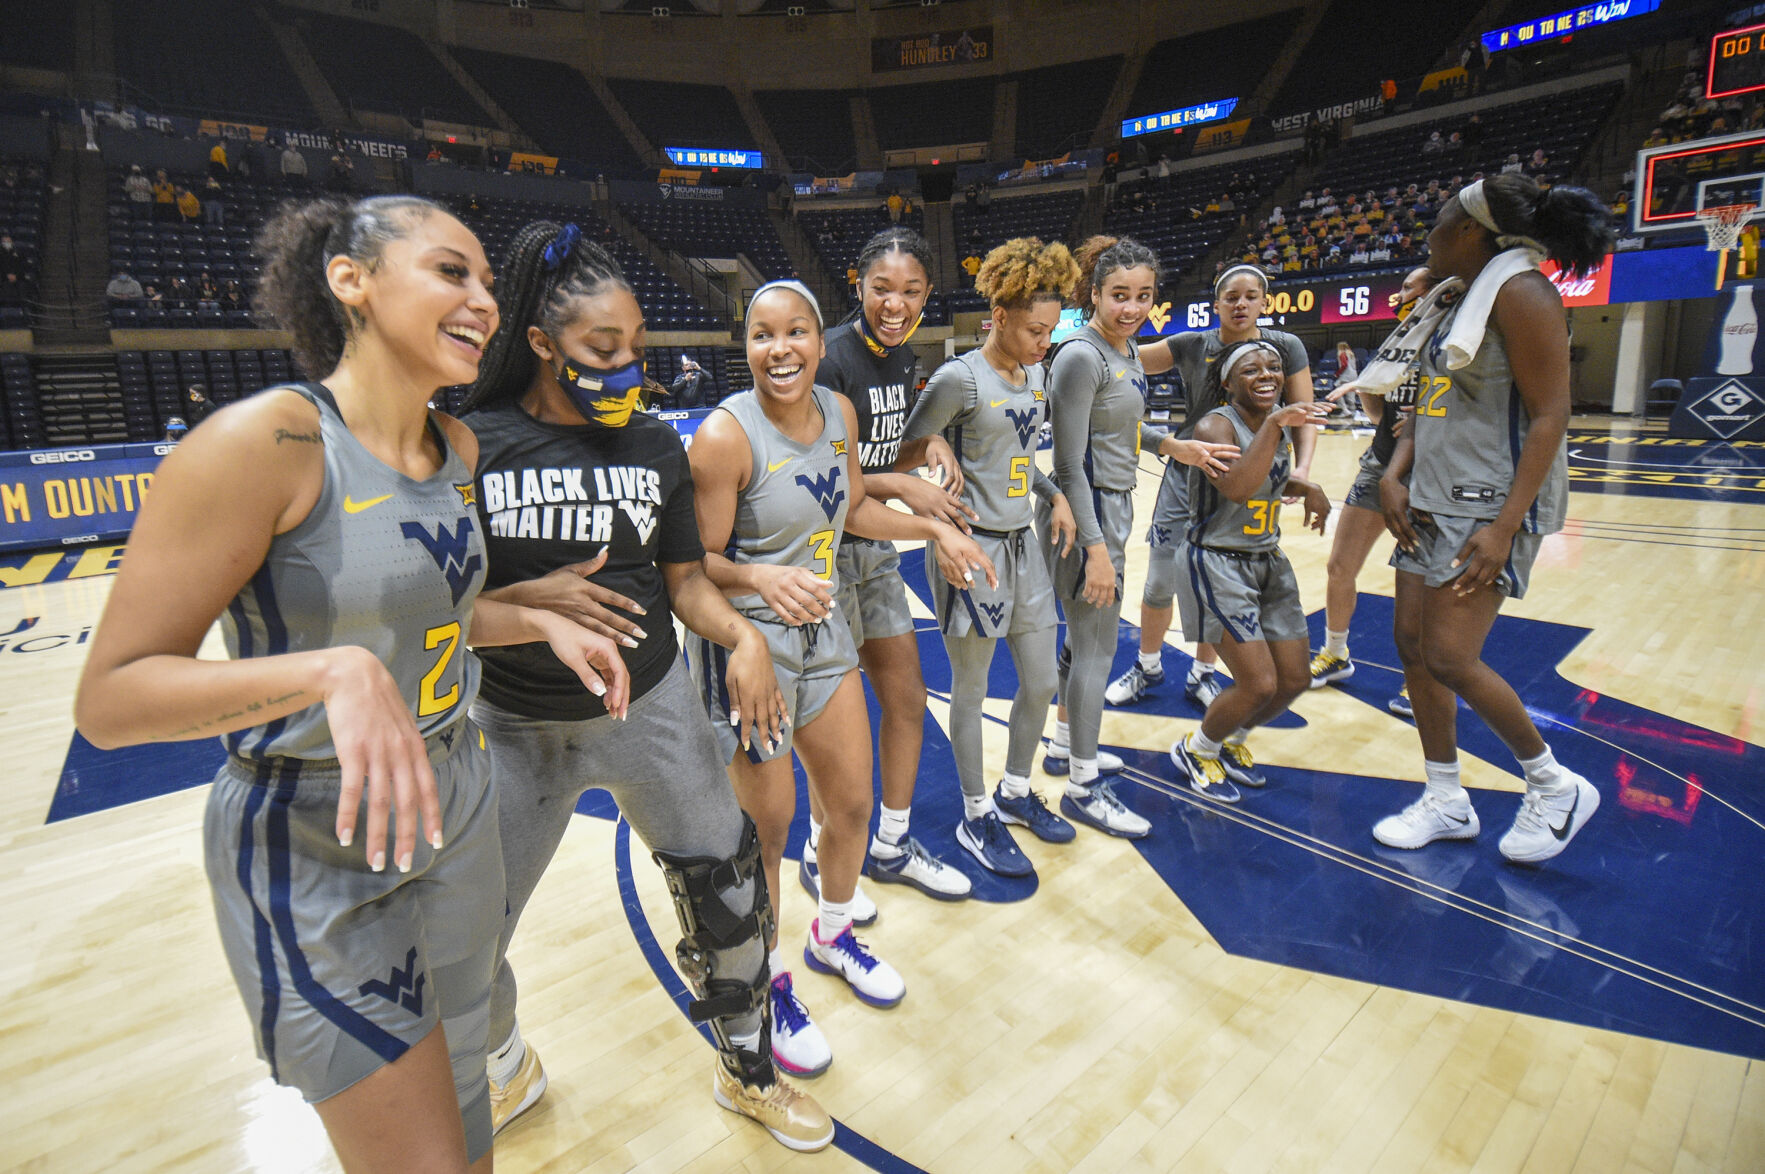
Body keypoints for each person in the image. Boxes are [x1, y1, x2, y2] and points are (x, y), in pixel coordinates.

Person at [72, 194, 632, 1173]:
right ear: (352, 280)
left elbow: (432, 618)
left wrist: (534, 618)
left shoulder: (458, 449)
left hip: (457, 802)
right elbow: (112, 700)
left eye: (488, 284)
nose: (484, 301)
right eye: (451, 272)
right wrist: (328, 672)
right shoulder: (267, 442)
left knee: (470, 1121)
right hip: (314, 829)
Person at [457, 222, 831, 1149]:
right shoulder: (471, 445)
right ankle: (505, 1063)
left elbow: (687, 584)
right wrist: (523, 605)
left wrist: (741, 635)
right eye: (603, 350)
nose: (629, 367)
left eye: (636, 346)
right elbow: (437, 606)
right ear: (541, 344)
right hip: (514, 723)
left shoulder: (655, 445)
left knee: (731, 900)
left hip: (653, 710)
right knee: (461, 938)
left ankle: (749, 1072)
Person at [687, 280, 996, 1079]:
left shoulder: (839, 413)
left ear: (820, 343)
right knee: (767, 833)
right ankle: (766, 985)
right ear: (745, 347)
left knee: (852, 804)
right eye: (761, 335)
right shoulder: (723, 436)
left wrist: (932, 529)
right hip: (751, 647)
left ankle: (830, 935)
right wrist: (759, 579)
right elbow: (690, 567)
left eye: (794, 332)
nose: (778, 349)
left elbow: (851, 506)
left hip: (823, 628)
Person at [1369, 173, 1612, 864]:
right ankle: (1445, 798)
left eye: (1441, 218)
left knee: (1449, 655)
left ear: (1470, 230)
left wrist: (1505, 527)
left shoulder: (1522, 293)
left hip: (1487, 504)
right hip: (1431, 495)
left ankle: (1554, 784)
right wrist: (1394, 473)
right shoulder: (1458, 296)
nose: (1430, 231)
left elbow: (1550, 415)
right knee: (1412, 647)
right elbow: (1431, 400)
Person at [1042, 236, 1239, 837]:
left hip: (1111, 506)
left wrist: (1171, 444)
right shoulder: (1081, 356)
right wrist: (1096, 550)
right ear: (1094, 294)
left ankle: (1065, 746)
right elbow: (1070, 462)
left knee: (1082, 643)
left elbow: (1117, 429)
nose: (1132, 308)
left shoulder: (1123, 350)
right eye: (1119, 295)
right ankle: (1082, 788)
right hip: (1089, 513)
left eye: (1144, 296)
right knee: (1097, 650)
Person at [898, 237, 1083, 875]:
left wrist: (1054, 495)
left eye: (1051, 331)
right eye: (1035, 330)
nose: (1044, 343)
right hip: (970, 550)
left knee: (1042, 680)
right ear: (998, 317)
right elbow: (906, 451)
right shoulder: (958, 379)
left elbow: (1019, 461)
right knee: (972, 690)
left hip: (1025, 545)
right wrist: (936, 511)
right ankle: (976, 813)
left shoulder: (1036, 376)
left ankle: (1014, 790)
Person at [810, 228, 976, 908]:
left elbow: (878, 458)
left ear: (927, 295)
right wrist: (916, 500)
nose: (894, 303)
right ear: (858, 286)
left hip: (872, 552)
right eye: (881, 288)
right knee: (829, 722)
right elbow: (834, 486)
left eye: (910, 291)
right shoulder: (828, 360)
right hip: (816, 557)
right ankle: (822, 850)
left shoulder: (903, 357)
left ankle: (892, 845)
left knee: (907, 700)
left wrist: (927, 446)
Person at [1117, 265, 1315, 713]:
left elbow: (1302, 412)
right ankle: (1147, 665)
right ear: (1217, 304)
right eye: (1231, 297)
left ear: (1264, 302)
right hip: (1186, 475)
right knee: (1160, 580)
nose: (1241, 304)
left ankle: (1203, 673)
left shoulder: (1286, 346)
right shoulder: (1192, 344)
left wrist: (1302, 469)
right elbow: (1125, 359)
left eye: (1250, 296)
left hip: (1250, 481)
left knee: (1219, 584)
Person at [1170, 342, 1331, 801]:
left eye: (1275, 368)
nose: (1267, 375)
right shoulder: (1216, 425)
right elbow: (1239, 485)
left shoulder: (1272, 422)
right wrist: (1278, 424)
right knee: (1258, 683)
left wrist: (1307, 486)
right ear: (1227, 382)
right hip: (1216, 561)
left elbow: (1269, 478)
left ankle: (1229, 739)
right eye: (1252, 369)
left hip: (1267, 560)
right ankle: (1197, 749)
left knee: (1295, 679)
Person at [1310, 266, 1437, 713]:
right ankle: (1335, 653)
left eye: (1409, 287)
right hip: (1380, 465)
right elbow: (1381, 416)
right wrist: (1366, 388)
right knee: (1339, 566)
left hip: (1432, 474)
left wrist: (1427, 423)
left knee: (1419, 583)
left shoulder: (1450, 342)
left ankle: (1420, 679)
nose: (1400, 294)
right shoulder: (1396, 341)